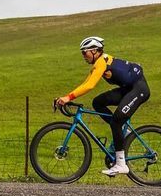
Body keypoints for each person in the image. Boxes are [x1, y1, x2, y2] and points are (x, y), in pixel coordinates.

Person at [55, 36, 148, 177]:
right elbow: (85, 83)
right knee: (97, 102)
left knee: (116, 121)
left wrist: (68, 98)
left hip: (138, 89)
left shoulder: (101, 63)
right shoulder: (99, 63)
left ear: (94, 51)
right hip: (128, 88)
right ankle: (124, 130)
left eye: (84, 52)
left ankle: (121, 164)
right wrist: (68, 96)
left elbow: (90, 85)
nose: (83, 56)